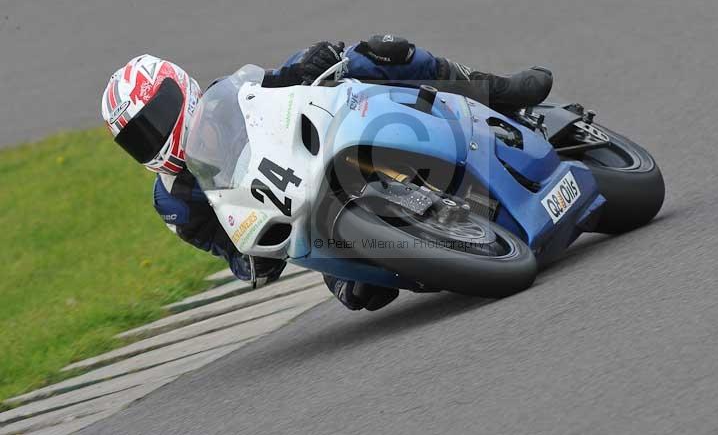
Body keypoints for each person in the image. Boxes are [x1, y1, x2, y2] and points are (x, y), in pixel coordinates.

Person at [100, 36, 553, 311]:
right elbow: (230, 255)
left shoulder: (229, 98)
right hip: (310, 225)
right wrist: (250, 262)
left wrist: (309, 66)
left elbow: (281, 80)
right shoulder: (174, 200)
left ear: (179, 88)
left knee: (379, 51)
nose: (153, 136)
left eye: (155, 116)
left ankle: (495, 90)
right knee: (361, 294)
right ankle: (446, 239)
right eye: (138, 137)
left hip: (328, 146)